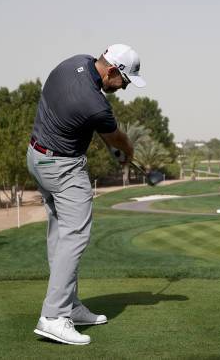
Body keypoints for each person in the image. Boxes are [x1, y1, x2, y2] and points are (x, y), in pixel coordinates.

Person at [26, 44, 145, 345]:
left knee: (60, 234)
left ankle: (69, 305)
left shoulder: (74, 62)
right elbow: (115, 136)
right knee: (75, 235)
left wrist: (113, 148)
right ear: (113, 71)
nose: (125, 87)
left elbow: (96, 128)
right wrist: (127, 150)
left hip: (37, 158)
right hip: (64, 169)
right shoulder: (96, 103)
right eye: (126, 81)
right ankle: (53, 316)